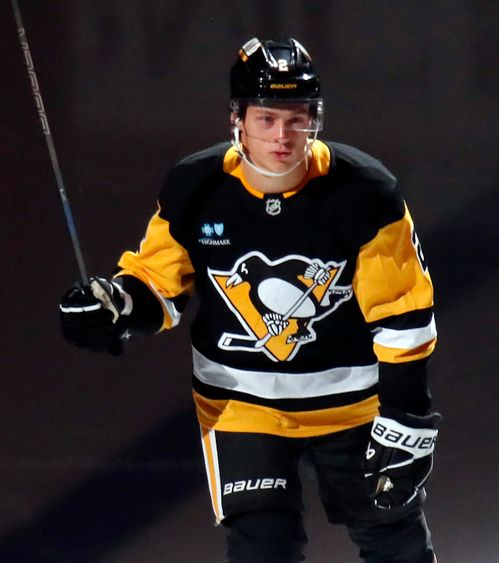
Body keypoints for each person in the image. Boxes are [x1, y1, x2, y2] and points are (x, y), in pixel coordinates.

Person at [59, 37, 440, 563]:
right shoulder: (194, 186)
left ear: (316, 117)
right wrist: (117, 307)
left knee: (396, 544)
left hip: (353, 406)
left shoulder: (365, 192)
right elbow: (159, 287)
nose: (282, 135)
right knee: (263, 551)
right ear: (237, 118)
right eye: (266, 118)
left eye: (297, 117)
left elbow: (403, 316)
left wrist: (405, 417)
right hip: (241, 405)